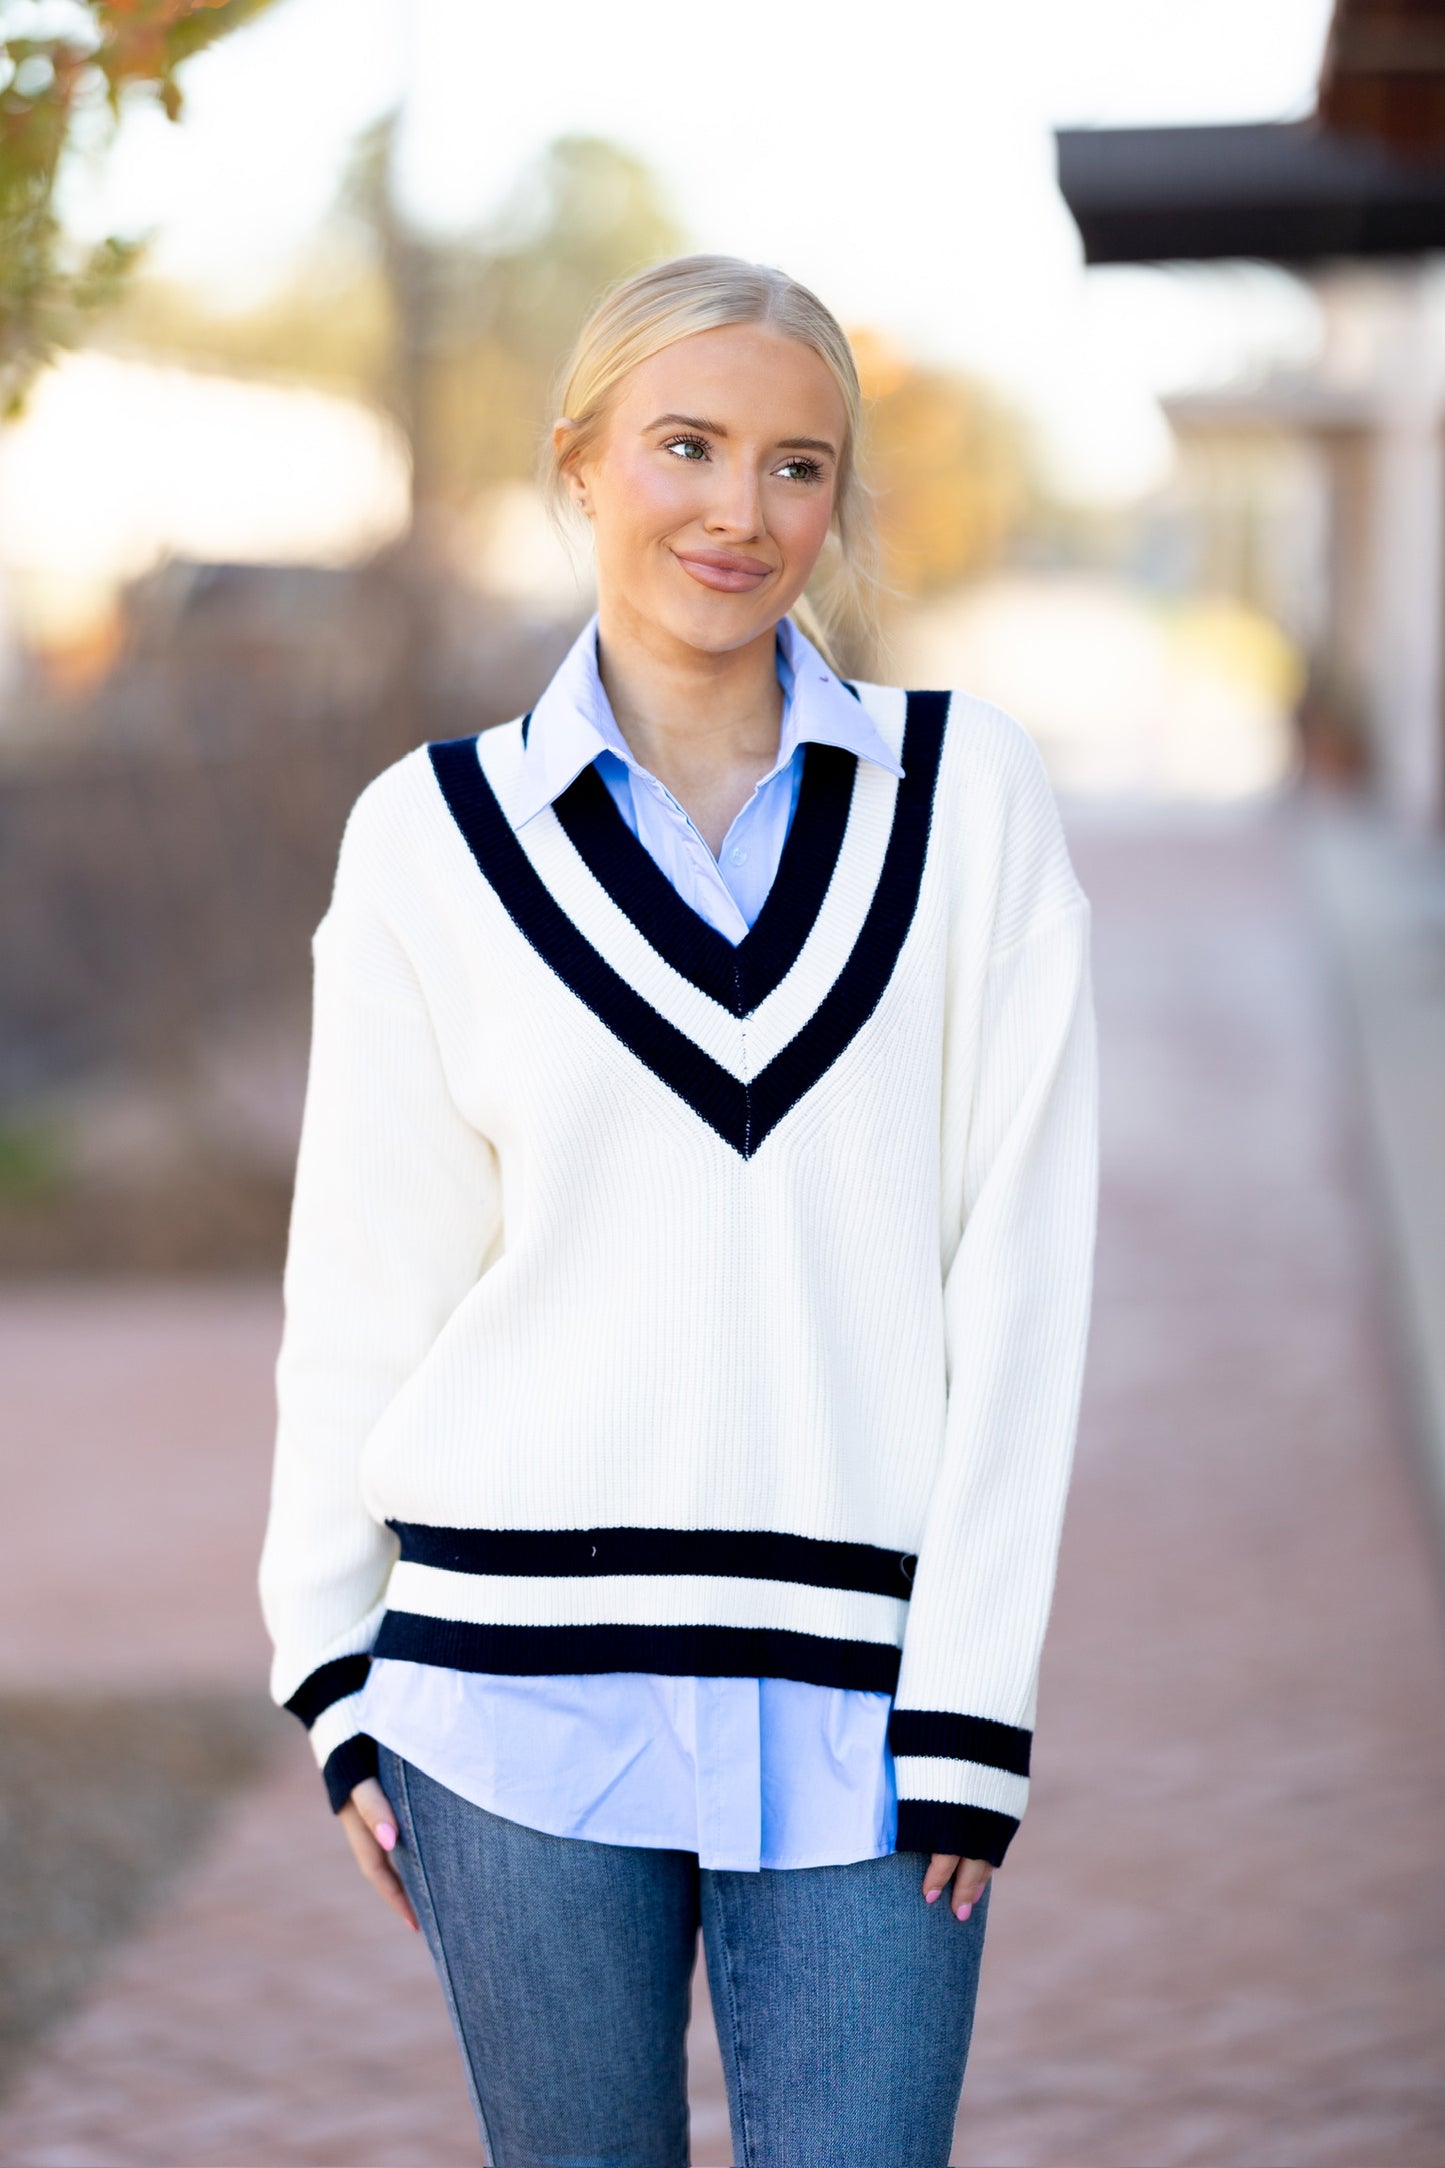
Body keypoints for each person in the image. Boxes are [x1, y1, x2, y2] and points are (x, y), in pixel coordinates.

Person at [259, 252, 1099, 2168]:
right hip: (501, 1709)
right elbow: (366, 1283)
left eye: (798, 466)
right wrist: (329, 1658)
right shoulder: (430, 842)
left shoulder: (970, 811)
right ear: (577, 466)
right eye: (688, 446)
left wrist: (977, 1698)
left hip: (872, 1713)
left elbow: (1025, 1279)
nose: (741, 510)